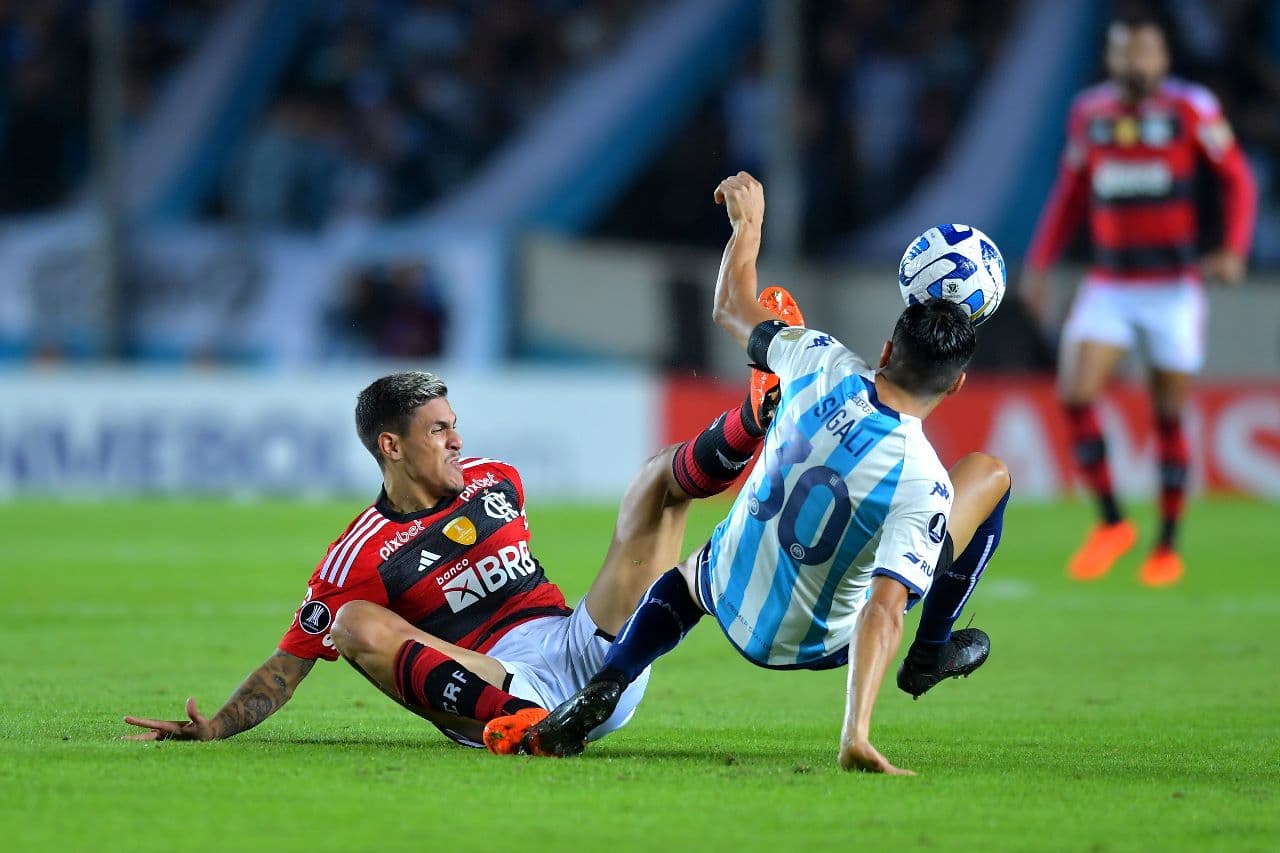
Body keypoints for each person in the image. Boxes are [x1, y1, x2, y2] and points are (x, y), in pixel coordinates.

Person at [489, 172, 1011, 774]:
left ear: (888, 351)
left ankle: (607, 682)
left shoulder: (819, 360)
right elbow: (885, 610)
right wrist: (855, 734)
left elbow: (731, 306)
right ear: (958, 385)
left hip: (726, 593)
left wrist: (749, 225)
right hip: (818, 643)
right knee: (990, 474)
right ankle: (930, 655)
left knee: (687, 577)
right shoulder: (925, 481)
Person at [122, 363, 788, 749]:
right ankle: (527, 729)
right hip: (496, 684)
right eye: (437, 429)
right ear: (391, 446)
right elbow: (289, 667)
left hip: (589, 653)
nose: (456, 438)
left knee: (654, 484)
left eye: (453, 423)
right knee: (351, 623)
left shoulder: (496, 480)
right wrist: (216, 727)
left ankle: (750, 418)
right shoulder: (356, 554)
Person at [1021, 13, 1256, 586]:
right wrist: (1040, 262)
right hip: (1110, 283)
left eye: (1145, 54)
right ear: (1112, 58)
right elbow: (1070, 191)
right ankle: (1111, 524)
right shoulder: (1091, 113)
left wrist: (1231, 246)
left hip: (1173, 288)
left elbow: (1239, 179)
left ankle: (1168, 544)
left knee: (1169, 411)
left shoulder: (1190, 108)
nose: (1135, 65)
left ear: (1163, 58)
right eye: (1125, 54)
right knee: (1075, 394)